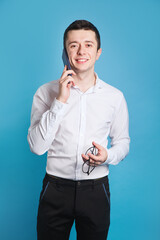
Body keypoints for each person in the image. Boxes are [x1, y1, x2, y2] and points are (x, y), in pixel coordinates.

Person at [27, 19, 130, 240]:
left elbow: (123, 142)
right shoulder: (46, 93)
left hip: (95, 190)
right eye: (73, 45)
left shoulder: (115, 97)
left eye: (88, 44)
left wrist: (108, 156)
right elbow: (36, 147)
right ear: (65, 52)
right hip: (55, 188)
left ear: (98, 52)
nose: (81, 51)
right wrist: (60, 101)